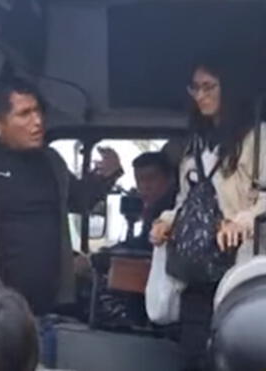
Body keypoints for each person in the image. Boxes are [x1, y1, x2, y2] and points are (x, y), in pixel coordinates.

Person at [0, 76, 123, 369]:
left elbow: (80, 200)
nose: (37, 121)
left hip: (44, 313)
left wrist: (108, 176)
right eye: (24, 114)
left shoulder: (52, 161)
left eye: (38, 111)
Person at [150, 55, 266, 371]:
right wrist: (167, 222)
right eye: (195, 88)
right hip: (197, 267)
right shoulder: (195, 145)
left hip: (243, 269)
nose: (201, 95)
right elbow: (186, 200)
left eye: (208, 87)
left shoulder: (258, 139)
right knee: (192, 354)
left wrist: (243, 220)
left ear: (229, 89)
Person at [129, 151, 177, 250]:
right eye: (139, 180)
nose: (144, 186)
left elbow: (148, 246)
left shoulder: (174, 211)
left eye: (150, 178)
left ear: (170, 178)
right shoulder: (151, 208)